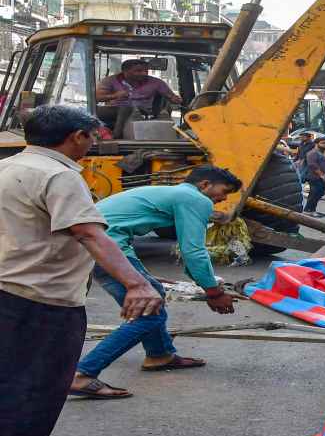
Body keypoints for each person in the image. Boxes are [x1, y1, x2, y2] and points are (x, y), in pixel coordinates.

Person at [0, 105, 163, 436]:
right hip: (42, 296)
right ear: (77, 137)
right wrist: (136, 284)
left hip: (8, 289)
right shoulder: (60, 176)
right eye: (91, 137)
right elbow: (88, 233)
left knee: (12, 375)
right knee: (41, 381)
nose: (92, 144)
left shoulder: (8, 167)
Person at [71, 165, 242, 399]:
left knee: (152, 301)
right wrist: (213, 291)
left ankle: (160, 354)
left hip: (91, 245)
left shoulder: (171, 193)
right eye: (225, 191)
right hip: (107, 246)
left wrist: (205, 283)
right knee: (151, 311)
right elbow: (193, 250)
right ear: (204, 185)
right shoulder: (194, 198)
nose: (223, 198)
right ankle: (83, 374)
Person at [96, 58, 182, 110]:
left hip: (144, 114)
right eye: (138, 71)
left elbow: (171, 97)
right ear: (125, 71)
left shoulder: (156, 82)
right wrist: (114, 96)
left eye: (146, 71)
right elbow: (97, 98)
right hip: (114, 112)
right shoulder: (109, 81)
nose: (144, 73)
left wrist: (175, 99)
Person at [304, 136, 325, 213]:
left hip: (321, 178)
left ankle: (312, 210)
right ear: (316, 144)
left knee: (319, 194)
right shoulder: (312, 153)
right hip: (315, 178)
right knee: (314, 194)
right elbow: (313, 165)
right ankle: (308, 210)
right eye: (323, 143)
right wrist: (322, 175)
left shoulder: (322, 153)